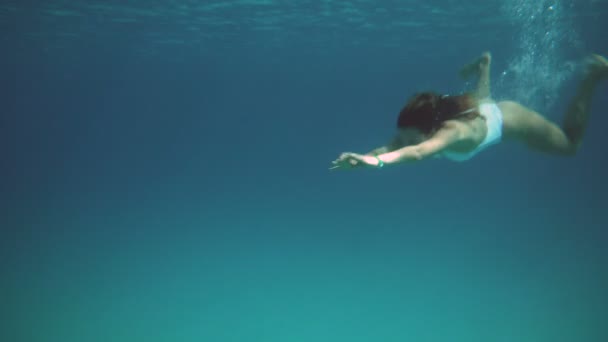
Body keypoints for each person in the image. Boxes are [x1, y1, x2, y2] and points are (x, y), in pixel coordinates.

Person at [330, 52, 608, 170]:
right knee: (481, 99)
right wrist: (363, 158)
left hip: (512, 120)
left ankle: (592, 77)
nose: (402, 142)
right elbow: (396, 146)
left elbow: (415, 152)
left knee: (570, 145)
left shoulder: (451, 131)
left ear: (428, 131)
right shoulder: (426, 125)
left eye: (409, 136)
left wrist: (375, 163)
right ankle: (484, 64)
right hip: (484, 109)